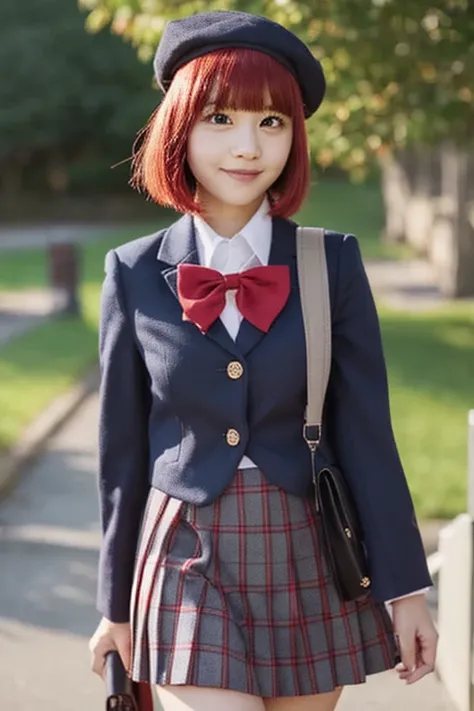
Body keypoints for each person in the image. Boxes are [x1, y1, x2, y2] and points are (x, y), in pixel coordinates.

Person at [89, 10, 438, 711]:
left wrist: (408, 588)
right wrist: (112, 604)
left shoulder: (330, 263)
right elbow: (121, 456)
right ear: (178, 129)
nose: (247, 146)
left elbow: (367, 433)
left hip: (305, 547)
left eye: (271, 122)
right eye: (220, 118)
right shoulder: (130, 272)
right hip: (185, 551)